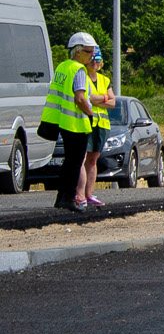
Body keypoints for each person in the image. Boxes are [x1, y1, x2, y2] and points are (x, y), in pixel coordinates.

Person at [39, 33, 98, 213]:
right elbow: (80, 98)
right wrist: (91, 114)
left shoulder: (62, 67)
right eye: (88, 52)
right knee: (75, 163)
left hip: (63, 121)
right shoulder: (78, 70)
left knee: (69, 162)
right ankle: (69, 199)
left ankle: (61, 198)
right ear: (78, 51)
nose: (92, 56)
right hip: (76, 123)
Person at [82, 46, 116, 206]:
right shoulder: (82, 77)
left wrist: (98, 98)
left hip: (102, 125)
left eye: (97, 59)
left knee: (92, 160)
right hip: (86, 123)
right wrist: (104, 98)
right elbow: (87, 98)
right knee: (82, 159)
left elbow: (113, 102)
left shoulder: (104, 80)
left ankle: (89, 194)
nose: (94, 62)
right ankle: (79, 194)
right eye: (91, 59)